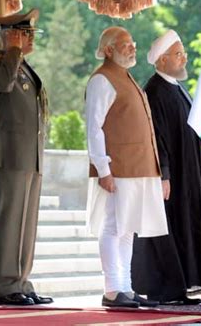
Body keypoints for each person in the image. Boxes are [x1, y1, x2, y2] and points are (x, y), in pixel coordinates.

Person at [131, 30, 201, 305]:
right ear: (161, 61)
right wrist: (165, 174)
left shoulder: (178, 89)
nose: (184, 58)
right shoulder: (154, 92)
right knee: (168, 232)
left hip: (190, 177)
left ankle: (182, 287)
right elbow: (155, 138)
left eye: (183, 52)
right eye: (178, 53)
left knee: (186, 230)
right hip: (172, 181)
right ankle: (166, 289)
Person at [85, 26, 168, 309]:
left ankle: (126, 287)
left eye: (132, 43)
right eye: (125, 44)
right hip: (118, 168)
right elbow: (94, 128)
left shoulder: (126, 77)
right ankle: (112, 290)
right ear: (109, 50)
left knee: (128, 228)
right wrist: (103, 169)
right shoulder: (102, 80)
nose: (132, 48)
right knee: (113, 226)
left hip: (138, 168)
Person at [0, 9, 53, 306]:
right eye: (24, 33)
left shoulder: (24, 67)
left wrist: (17, 52)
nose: (30, 38)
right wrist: (11, 49)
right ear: (10, 36)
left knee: (27, 223)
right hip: (10, 154)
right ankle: (7, 286)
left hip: (30, 155)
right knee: (11, 220)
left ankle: (22, 281)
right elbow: (3, 84)